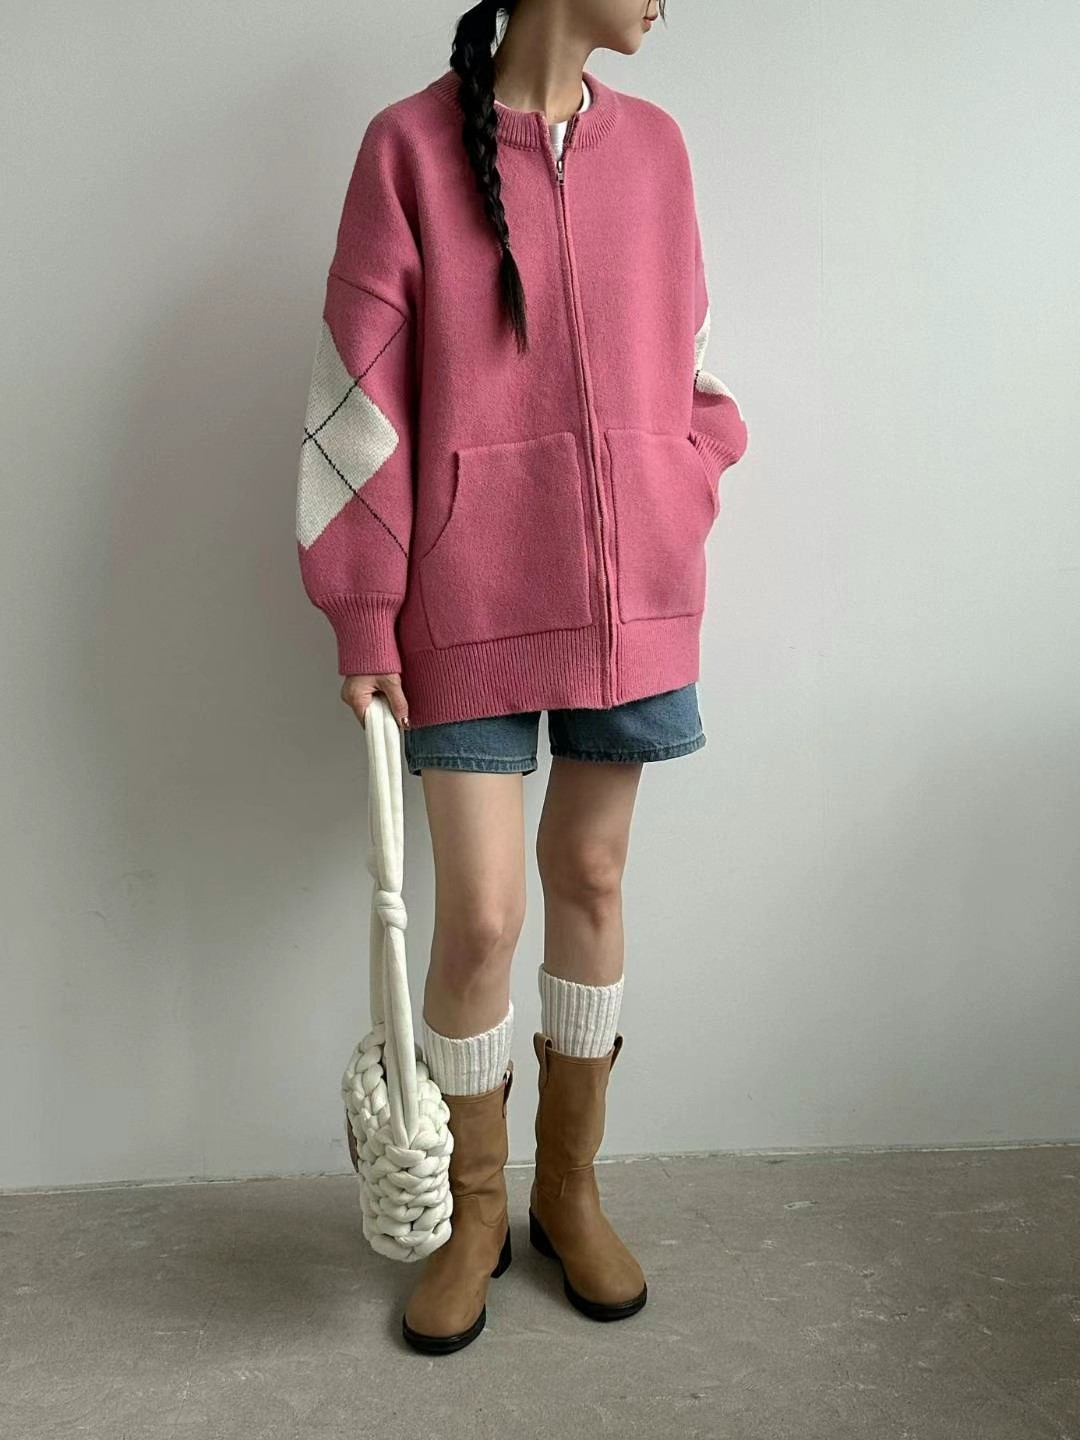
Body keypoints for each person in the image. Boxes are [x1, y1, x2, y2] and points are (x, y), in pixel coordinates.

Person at [296, 0, 749, 1355]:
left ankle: (571, 1191)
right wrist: (363, 610)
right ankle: (476, 1212)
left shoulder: (658, 151)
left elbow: (695, 364)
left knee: (592, 879)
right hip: (468, 599)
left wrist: (679, 479)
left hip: (634, 598)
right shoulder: (406, 150)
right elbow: (356, 398)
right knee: (484, 918)